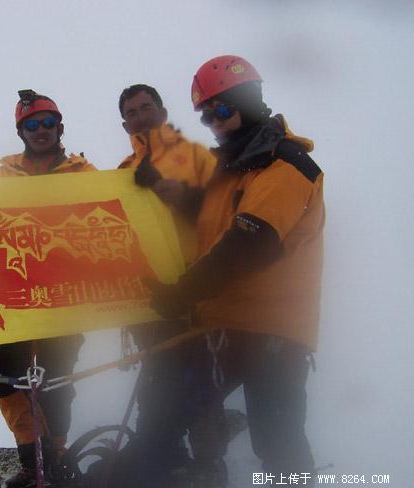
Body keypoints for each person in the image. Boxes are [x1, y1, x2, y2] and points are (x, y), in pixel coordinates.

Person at [147, 55, 324, 485]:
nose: (214, 122)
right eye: (206, 115)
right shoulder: (228, 171)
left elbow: (249, 243)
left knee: (279, 445)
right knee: (174, 415)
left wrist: (178, 294)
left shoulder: (288, 166)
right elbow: (204, 231)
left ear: (249, 100)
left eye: (222, 110)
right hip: (220, 329)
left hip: (272, 332)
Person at [0, 90, 96, 488]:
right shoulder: (3, 177)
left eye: (47, 124)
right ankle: (33, 457)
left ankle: (58, 460)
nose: (40, 132)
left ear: (60, 128)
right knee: (4, 379)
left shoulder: (84, 174)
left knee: (56, 383)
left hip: (65, 301)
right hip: (16, 302)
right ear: (21, 132)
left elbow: (113, 216)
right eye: (31, 125)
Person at [117, 84, 216, 484]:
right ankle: (167, 463)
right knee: (158, 384)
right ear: (125, 123)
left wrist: (164, 188)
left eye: (146, 107)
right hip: (152, 299)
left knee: (200, 385)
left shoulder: (196, 156)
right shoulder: (122, 171)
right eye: (132, 112)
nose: (141, 117)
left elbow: (219, 212)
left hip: (196, 292)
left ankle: (210, 466)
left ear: (161, 109)